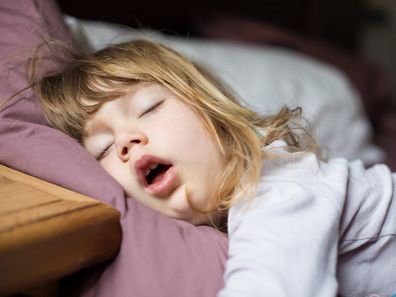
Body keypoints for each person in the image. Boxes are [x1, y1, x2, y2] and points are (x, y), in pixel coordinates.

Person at [35, 39, 396, 297]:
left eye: (148, 108)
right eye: (104, 148)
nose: (127, 140)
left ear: (213, 115)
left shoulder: (277, 185)